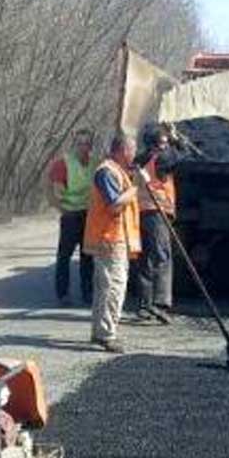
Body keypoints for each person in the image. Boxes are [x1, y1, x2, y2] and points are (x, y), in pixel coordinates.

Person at [83, 134, 141, 353]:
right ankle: (107, 335)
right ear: (122, 150)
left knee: (105, 289)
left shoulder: (117, 172)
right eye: (131, 150)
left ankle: (100, 332)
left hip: (114, 238)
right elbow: (115, 205)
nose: (134, 155)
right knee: (112, 289)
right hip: (109, 239)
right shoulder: (107, 172)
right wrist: (135, 188)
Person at [131, 124, 179, 324]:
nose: (165, 146)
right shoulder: (160, 159)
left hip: (142, 211)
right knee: (163, 257)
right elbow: (179, 157)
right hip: (156, 211)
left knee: (146, 259)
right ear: (154, 145)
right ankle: (161, 304)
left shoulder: (141, 160)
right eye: (162, 143)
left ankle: (144, 305)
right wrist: (176, 139)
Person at [47, 128, 97, 306]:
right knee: (64, 256)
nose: (84, 147)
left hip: (89, 215)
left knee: (88, 256)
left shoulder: (95, 162)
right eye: (80, 143)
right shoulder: (63, 163)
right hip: (70, 215)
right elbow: (54, 193)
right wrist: (63, 210)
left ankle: (88, 292)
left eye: (87, 143)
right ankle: (63, 294)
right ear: (74, 145)